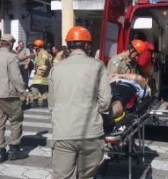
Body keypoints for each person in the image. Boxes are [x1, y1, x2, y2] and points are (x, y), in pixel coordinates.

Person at [48, 26, 112, 179]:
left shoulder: (56, 69)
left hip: (63, 132)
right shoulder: (98, 66)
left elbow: (51, 104)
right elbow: (105, 101)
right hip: (90, 133)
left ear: (69, 45)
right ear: (87, 45)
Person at [0, 34, 28, 163]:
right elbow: (16, 77)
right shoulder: (11, 57)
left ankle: (0, 152)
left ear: (1, 43)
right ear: (11, 44)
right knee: (16, 120)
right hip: (9, 95)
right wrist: (22, 92)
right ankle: (14, 149)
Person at [30, 39, 52, 107]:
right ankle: (44, 102)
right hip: (41, 74)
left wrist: (41, 72)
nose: (34, 48)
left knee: (34, 87)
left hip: (41, 75)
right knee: (43, 88)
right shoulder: (39, 53)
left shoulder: (43, 53)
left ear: (38, 46)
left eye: (35, 46)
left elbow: (44, 62)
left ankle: (37, 101)